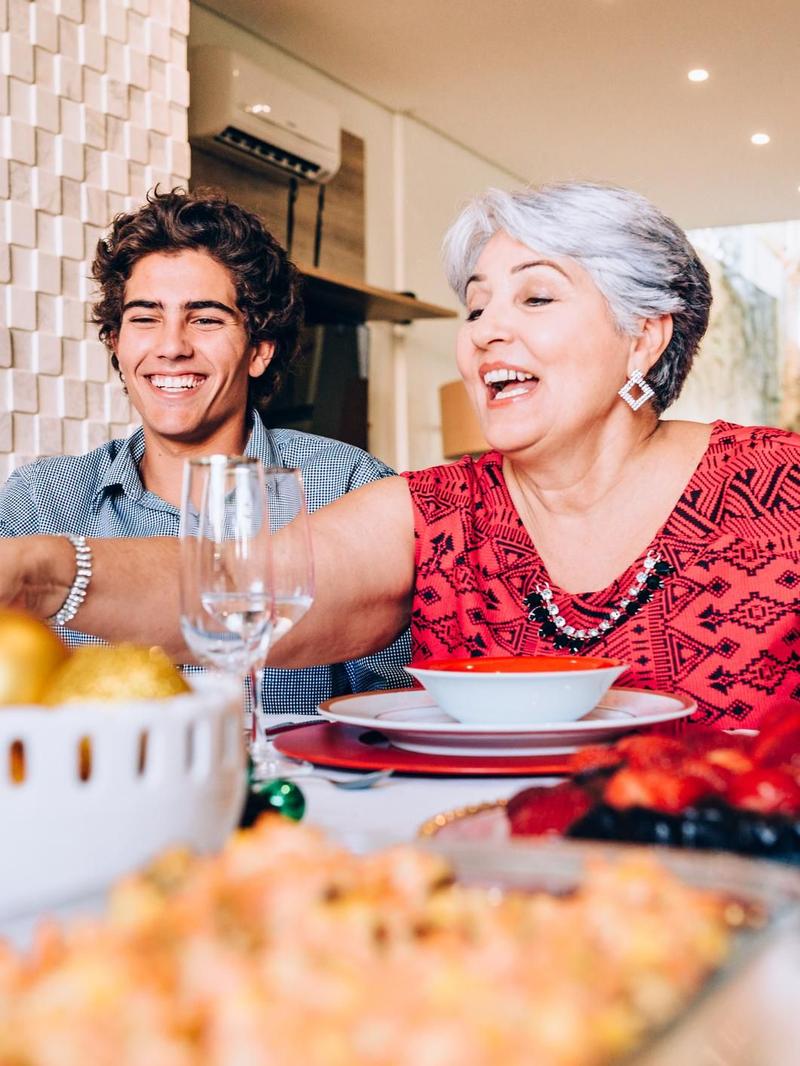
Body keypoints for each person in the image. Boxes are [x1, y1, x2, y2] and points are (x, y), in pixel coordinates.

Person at [3, 183, 798, 729]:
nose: (486, 329)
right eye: (476, 303)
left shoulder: (782, 488)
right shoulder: (436, 511)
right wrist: (37, 570)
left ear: (644, 335)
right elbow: (245, 585)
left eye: (536, 296)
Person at [0, 188, 411, 715]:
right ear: (116, 344)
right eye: (145, 318)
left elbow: (399, 707)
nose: (172, 346)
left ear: (259, 351)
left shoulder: (349, 486)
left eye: (206, 318)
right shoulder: (38, 505)